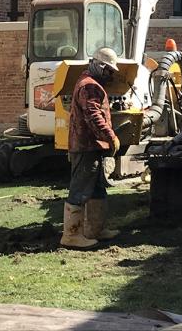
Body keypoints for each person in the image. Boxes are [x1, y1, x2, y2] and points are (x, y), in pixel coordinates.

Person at [60, 47, 121, 249]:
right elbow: (94, 117)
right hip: (86, 146)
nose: (111, 75)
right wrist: (111, 136)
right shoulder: (89, 86)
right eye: (109, 71)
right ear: (100, 66)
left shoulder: (87, 82)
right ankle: (71, 235)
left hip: (90, 146)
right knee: (79, 189)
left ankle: (96, 230)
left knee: (96, 188)